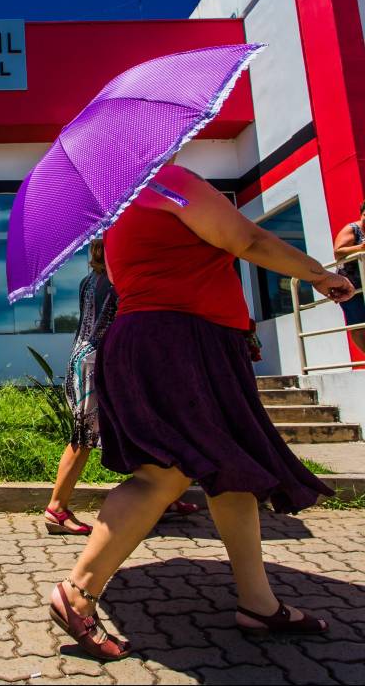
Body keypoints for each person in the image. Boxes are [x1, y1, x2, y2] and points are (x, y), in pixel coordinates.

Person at [48, 164, 354, 661]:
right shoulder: (168, 183)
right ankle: (77, 592)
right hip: (182, 342)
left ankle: (258, 602)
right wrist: (320, 275)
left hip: (154, 339)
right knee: (162, 475)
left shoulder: (121, 208)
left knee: (231, 470)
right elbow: (247, 240)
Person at [44, 240, 198, 536]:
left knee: (144, 427)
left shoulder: (88, 281)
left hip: (85, 357)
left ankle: (161, 497)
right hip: (97, 361)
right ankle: (57, 508)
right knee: (85, 436)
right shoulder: (120, 280)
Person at [334, 199, 365, 354]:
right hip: (350, 285)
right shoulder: (352, 229)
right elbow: (337, 251)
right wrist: (360, 247)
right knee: (358, 323)